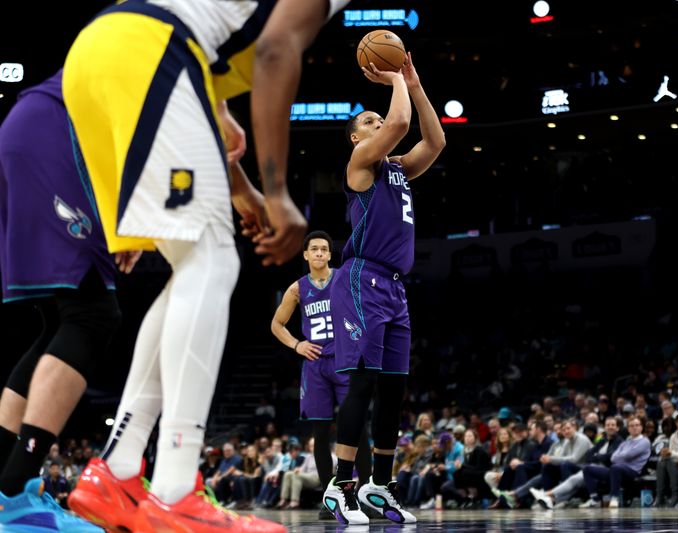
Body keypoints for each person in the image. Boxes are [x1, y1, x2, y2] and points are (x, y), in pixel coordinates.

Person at [62, 0, 356, 531]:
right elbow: (274, 51)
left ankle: (118, 469)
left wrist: (243, 186)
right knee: (213, 258)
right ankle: (174, 489)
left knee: (193, 261)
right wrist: (276, 192)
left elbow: (214, 58)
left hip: (101, 55)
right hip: (150, 52)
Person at [0, 70, 141, 533]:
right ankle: (14, 491)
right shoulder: (165, 39)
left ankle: (10, 487)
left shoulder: (138, 33)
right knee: (94, 313)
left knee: (57, 319)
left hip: (31, 131)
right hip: (54, 137)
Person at [322, 52, 446, 526]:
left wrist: (413, 83)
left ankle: (381, 486)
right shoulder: (361, 162)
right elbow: (398, 123)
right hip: (360, 279)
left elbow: (434, 139)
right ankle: (342, 484)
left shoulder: (398, 168)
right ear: (358, 137)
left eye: (378, 119)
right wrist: (395, 78)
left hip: (394, 288)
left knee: (393, 389)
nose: (381, 123)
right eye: (369, 121)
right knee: (365, 380)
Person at [270, 230, 371, 518]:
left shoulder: (343, 278)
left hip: (343, 360)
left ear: (329, 254)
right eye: (313, 249)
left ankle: (365, 494)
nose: (318, 253)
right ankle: (331, 499)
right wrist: (297, 344)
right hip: (314, 364)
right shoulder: (297, 289)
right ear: (305, 254)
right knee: (321, 430)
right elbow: (277, 324)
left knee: (356, 428)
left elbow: (365, 310)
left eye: (323, 249)